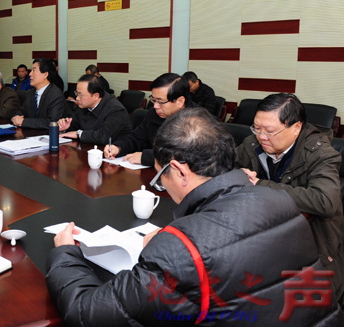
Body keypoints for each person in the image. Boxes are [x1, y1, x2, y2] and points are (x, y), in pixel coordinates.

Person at [46, 108, 344, 326]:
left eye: (161, 177)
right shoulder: (281, 201)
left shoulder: (180, 249)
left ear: (179, 171)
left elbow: (86, 313)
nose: (163, 185)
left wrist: (66, 254)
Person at [235, 93, 344, 302]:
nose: (262, 136)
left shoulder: (320, 153)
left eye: (270, 131)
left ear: (296, 127)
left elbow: (325, 201)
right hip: (263, 234)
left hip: (312, 243)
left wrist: (260, 185)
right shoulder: (252, 144)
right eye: (257, 128)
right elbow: (227, 165)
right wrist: (239, 173)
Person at [104, 73, 196, 166]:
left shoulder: (197, 121)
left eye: (160, 102)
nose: (155, 106)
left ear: (180, 101)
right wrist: (118, 147)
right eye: (154, 100)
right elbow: (137, 138)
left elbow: (184, 155)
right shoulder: (153, 113)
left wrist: (146, 157)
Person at [58, 74, 131, 146]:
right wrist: (64, 128)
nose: (77, 98)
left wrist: (79, 134)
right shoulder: (84, 106)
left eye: (81, 95)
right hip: (88, 148)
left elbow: (104, 137)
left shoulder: (116, 110)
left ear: (95, 96)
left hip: (112, 151)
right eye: (77, 94)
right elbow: (73, 129)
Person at [11, 58, 65, 129]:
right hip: (30, 133)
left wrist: (23, 122)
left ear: (45, 75)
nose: (30, 74)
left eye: (34, 70)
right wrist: (15, 117)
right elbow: (21, 111)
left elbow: (52, 122)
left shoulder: (55, 95)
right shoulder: (31, 92)